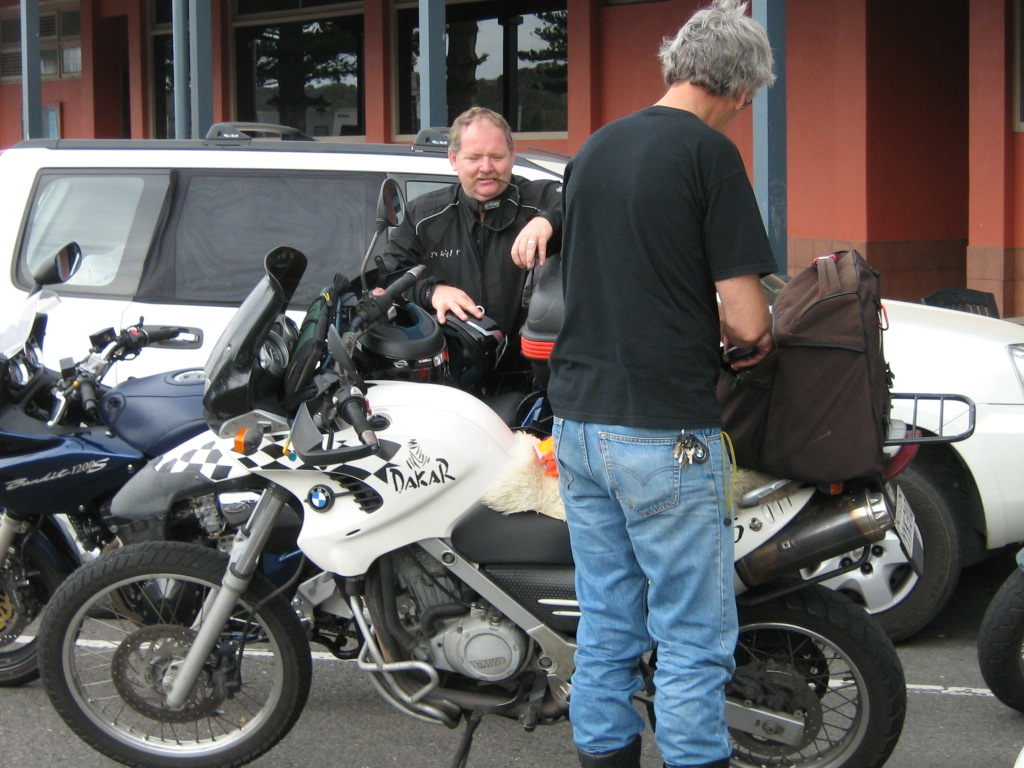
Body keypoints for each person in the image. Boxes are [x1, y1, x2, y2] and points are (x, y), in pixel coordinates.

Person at [546, 2, 777, 767]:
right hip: (664, 432)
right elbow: (746, 320)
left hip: (578, 423)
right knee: (691, 635)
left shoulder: (596, 148)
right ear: (739, 90)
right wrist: (747, 333)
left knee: (609, 622)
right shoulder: (709, 154)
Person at [382, 107, 562, 343]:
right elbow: (390, 275)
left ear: (512, 156)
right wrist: (431, 291)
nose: (486, 167)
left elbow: (583, 204)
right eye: (474, 158)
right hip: (455, 358)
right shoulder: (421, 216)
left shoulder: (542, 198)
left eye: (496, 157)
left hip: (531, 359)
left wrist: (547, 220)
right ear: (453, 159)